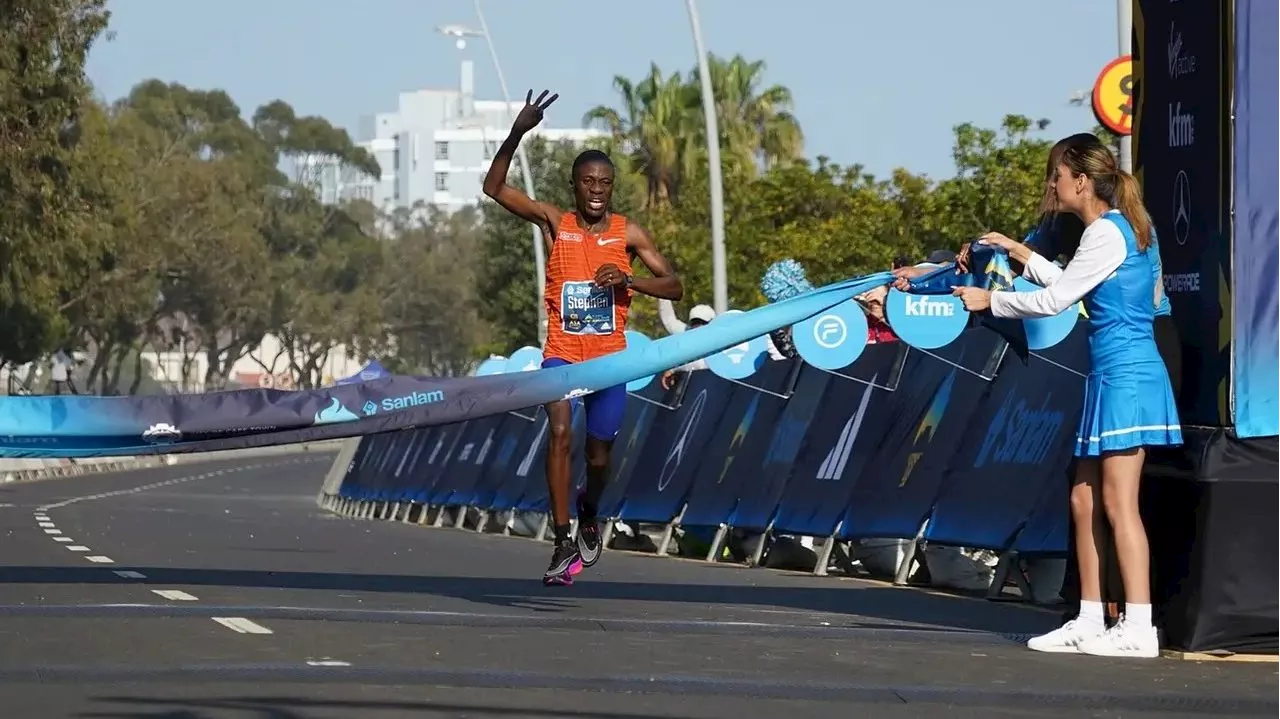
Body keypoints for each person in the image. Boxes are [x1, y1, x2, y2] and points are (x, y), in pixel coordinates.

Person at [950, 139, 1182, 658]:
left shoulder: (1106, 231)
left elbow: (1057, 300)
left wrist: (992, 300)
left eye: (1056, 175)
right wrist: (1020, 252)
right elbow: (1074, 284)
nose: (1051, 186)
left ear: (1080, 179)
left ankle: (1140, 627)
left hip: (1127, 375)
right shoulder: (1118, 230)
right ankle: (1090, 617)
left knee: (1119, 504)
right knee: (1083, 499)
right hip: (1110, 375)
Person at [482, 90, 684, 586]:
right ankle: (561, 540)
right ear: (574, 185)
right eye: (588, 181)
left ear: (613, 187)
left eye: (605, 183)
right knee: (558, 432)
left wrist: (629, 280)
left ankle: (589, 509)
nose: (597, 189)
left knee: (598, 458)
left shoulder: (628, 233)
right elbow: (494, 187)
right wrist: (517, 132)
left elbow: (675, 285)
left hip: (610, 360)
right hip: (563, 356)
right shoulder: (556, 222)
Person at [657, 300, 715, 390]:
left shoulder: (719, 340)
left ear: (711, 323)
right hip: (692, 390)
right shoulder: (687, 332)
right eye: (694, 322)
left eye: (702, 322)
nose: (697, 326)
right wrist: (664, 294)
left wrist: (674, 369)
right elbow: (669, 320)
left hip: (712, 387)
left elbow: (702, 365)